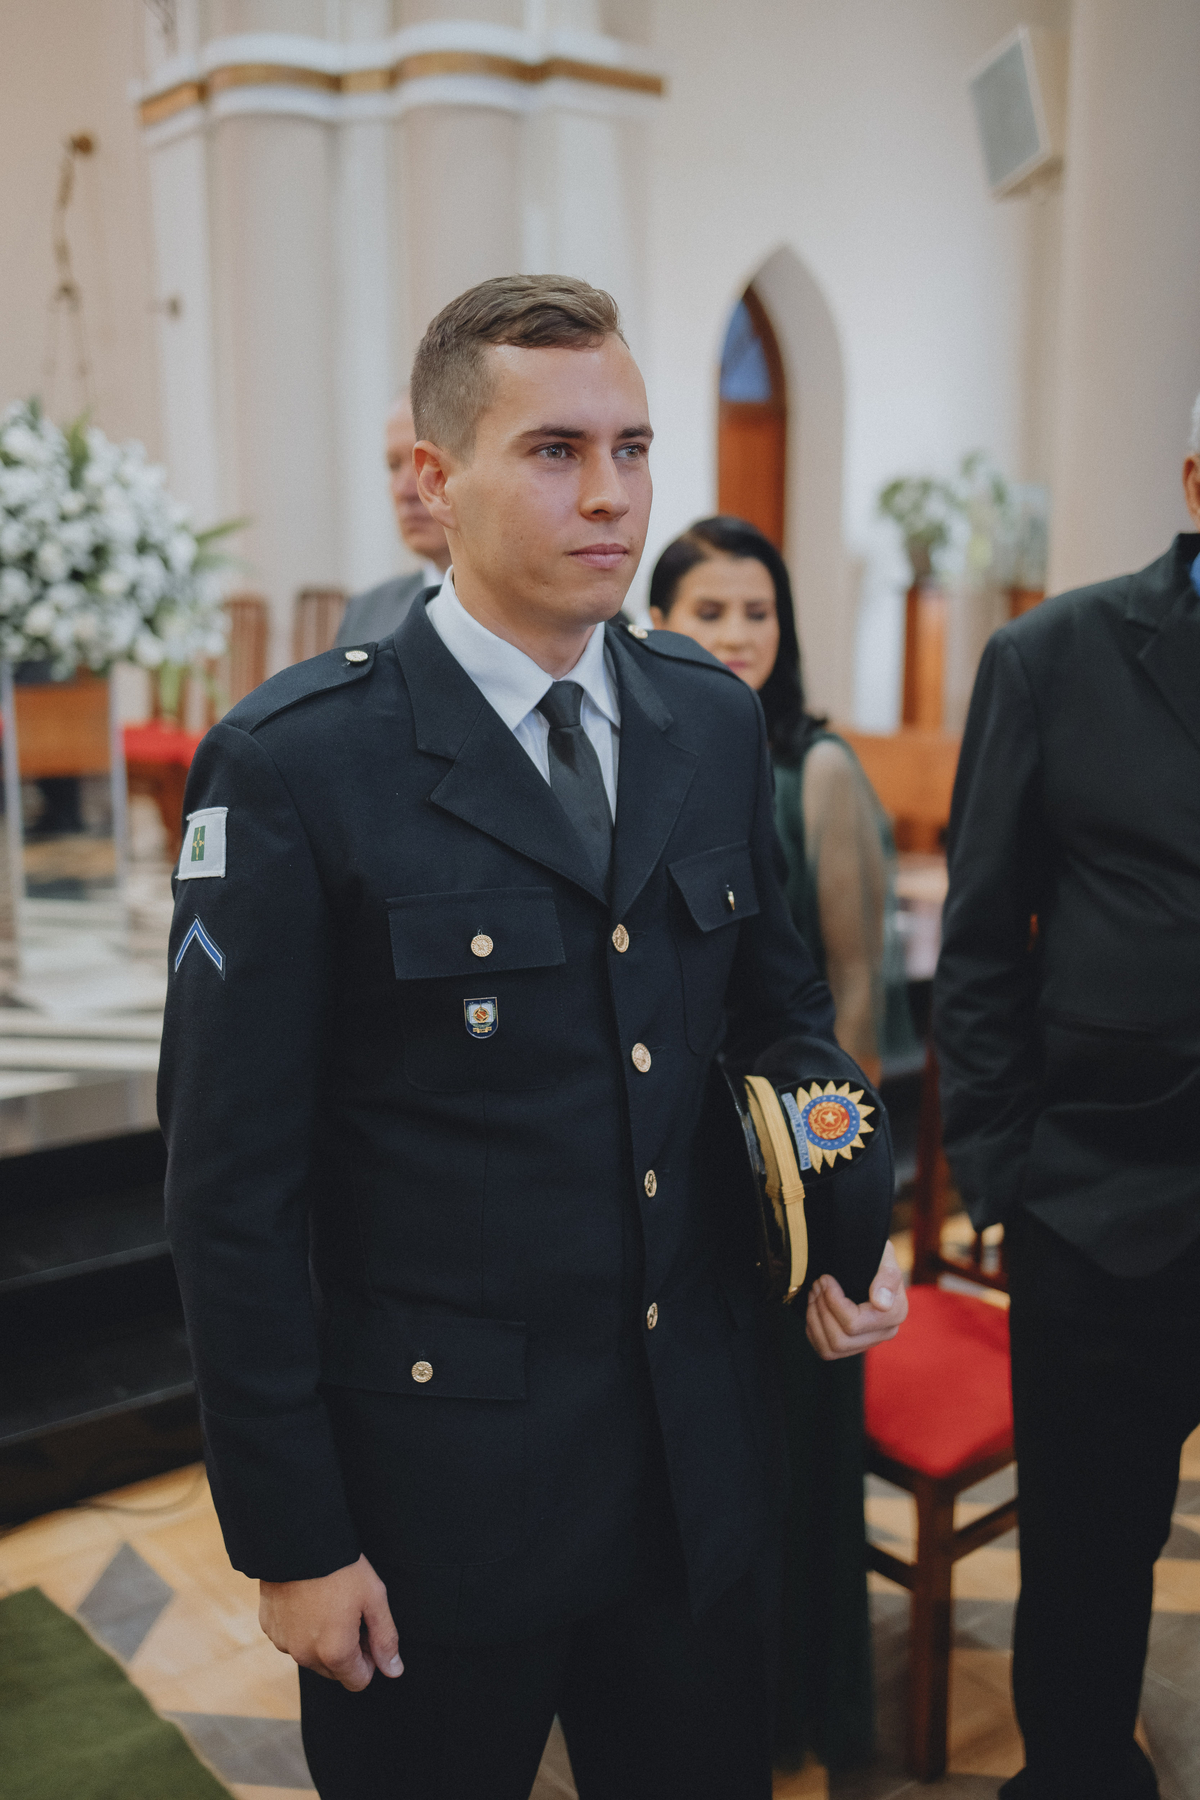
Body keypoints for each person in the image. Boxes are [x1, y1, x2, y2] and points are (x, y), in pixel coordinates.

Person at [160, 275, 907, 1800]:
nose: (612, 496)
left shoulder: (706, 717)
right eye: (557, 452)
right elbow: (232, 1194)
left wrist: (846, 1215)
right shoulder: (301, 764)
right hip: (440, 1500)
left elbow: (779, 1016)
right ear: (438, 483)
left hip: (692, 1467)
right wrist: (296, 1538)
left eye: (633, 448)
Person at [933, 397, 1200, 1800]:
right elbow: (981, 938)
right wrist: (1001, 1173)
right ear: (1196, 479)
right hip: (1103, 1199)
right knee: (1092, 1559)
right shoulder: (1057, 657)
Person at [650, 515, 913, 1773]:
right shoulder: (649, 758)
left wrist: (825, 1202)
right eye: (710, 612)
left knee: (794, 1458)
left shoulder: (812, 771)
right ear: (658, 623)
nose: (738, 635)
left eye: (758, 612)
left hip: (798, 1183)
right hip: (680, 1180)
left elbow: (848, 1001)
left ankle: (800, 1705)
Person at [334, 392, 450, 646]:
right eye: (394, 465)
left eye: (428, 463)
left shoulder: (532, 613)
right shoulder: (366, 615)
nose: (404, 490)